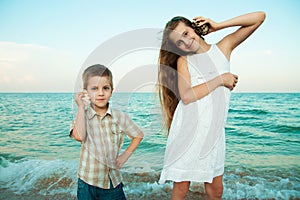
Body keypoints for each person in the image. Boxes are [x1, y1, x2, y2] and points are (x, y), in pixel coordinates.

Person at [157, 12, 265, 199]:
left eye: (186, 33)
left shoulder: (222, 48)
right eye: (179, 42)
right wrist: (220, 79)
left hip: (213, 133)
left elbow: (259, 17)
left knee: (215, 190)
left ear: (194, 28)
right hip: (189, 132)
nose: (185, 41)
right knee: (181, 189)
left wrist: (218, 25)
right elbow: (187, 95)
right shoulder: (184, 60)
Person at [70, 64, 144, 200]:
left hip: (112, 183)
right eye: (94, 88)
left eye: (105, 88)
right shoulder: (82, 116)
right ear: (85, 91)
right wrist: (80, 107)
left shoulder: (119, 117)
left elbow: (138, 135)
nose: (100, 93)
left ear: (111, 90)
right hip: (87, 182)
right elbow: (79, 137)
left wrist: (124, 156)